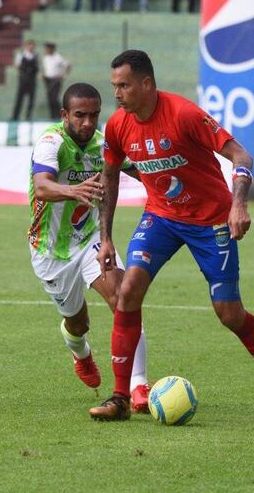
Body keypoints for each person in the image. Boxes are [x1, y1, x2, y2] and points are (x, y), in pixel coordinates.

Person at [90, 50, 254, 423]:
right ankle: (120, 397)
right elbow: (110, 176)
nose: (117, 94)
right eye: (114, 86)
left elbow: (242, 156)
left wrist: (238, 205)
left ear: (146, 84)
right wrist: (106, 237)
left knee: (229, 314)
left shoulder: (184, 114)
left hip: (211, 220)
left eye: (124, 86)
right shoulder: (118, 126)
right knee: (128, 290)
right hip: (161, 217)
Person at [28, 82, 151, 410]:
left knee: (124, 297)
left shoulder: (103, 145)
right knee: (77, 322)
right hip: (51, 250)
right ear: (64, 114)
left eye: (94, 115)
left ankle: (138, 385)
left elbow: (142, 172)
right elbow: (42, 187)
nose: (87, 123)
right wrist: (74, 191)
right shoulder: (51, 142)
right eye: (79, 115)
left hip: (91, 239)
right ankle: (80, 352)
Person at [42, 43, 71, 120]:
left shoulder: (57, 57)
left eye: (47, 48)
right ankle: (53, 116)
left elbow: (68, 65)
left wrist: (64, 75)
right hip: (48, 80)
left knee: (54, 99)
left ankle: (59, 116)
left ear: (51, 49)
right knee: (50, 99)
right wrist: (44, 74)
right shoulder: (45, 57)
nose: (46, 50)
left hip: (55, 80)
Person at [11, 40, 39, 121]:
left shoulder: (36, 56)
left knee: (31, 99)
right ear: (27, 46)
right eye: (30, 45)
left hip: (32, 80)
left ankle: (28, 116)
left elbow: (37, 67)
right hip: (23, 79)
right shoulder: (21, 55)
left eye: (33, 46)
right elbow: (16, 65)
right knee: (19, 99)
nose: (31, 47)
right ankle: (15, 116)